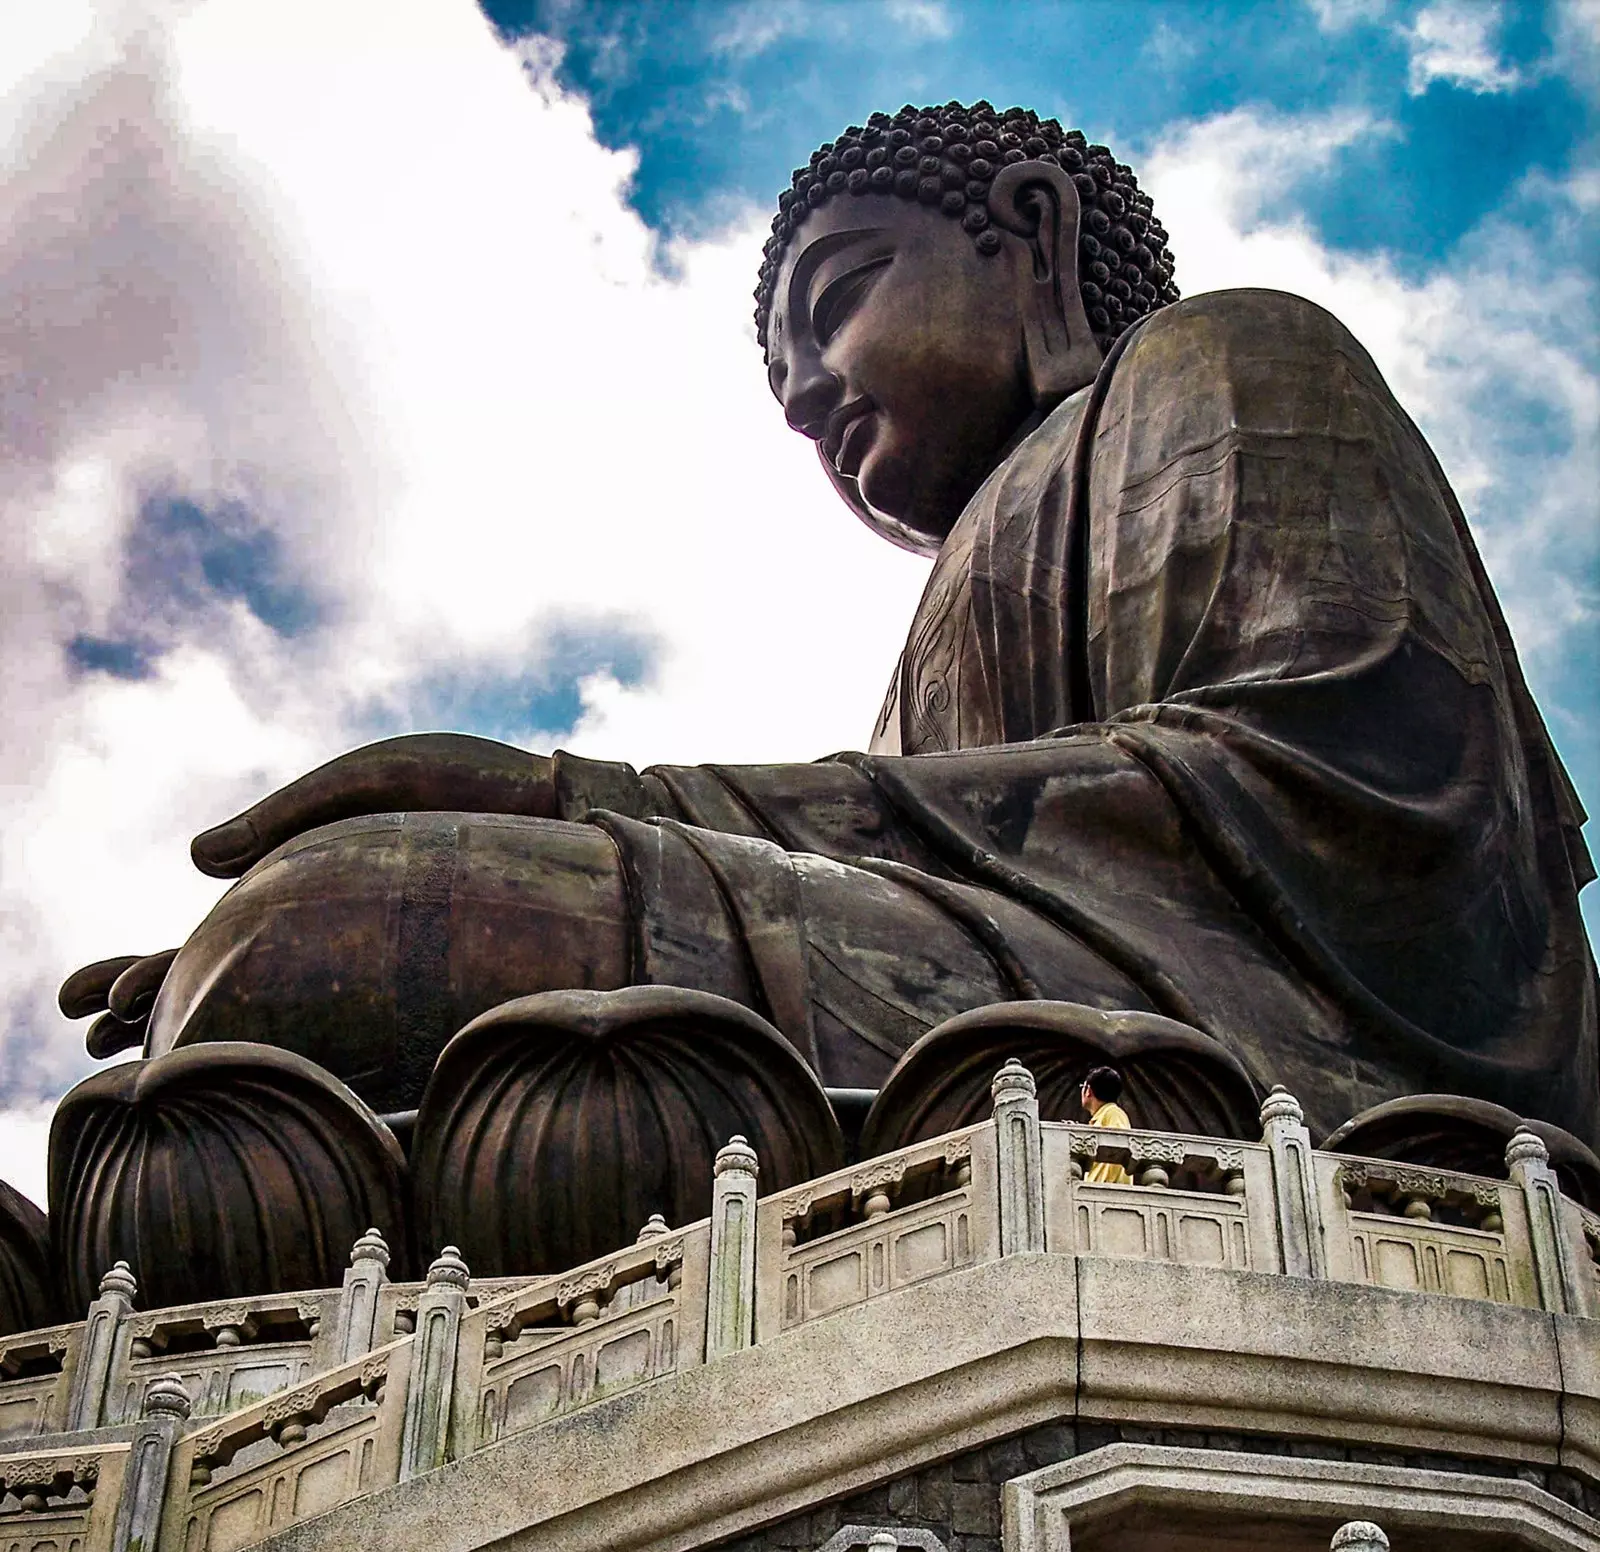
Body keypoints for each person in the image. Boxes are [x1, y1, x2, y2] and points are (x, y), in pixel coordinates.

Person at [61, 98, 1600, 1147]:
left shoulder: (1228, 360)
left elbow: (1354, 802)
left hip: (1263, 1057)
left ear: (1032, 229)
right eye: (785, 385)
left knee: (314, 930)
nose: (805, 394)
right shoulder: (947, 604)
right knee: (324, 935)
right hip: (986, 1013)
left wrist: (590, 806)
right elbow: (881, 885)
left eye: (839, 298)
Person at [1080, 1065, 1132, 1187]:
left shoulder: (1114, 1113)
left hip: (1107, 1188)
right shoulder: (1104, 1116)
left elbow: (1119, 1146)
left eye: (1083, 1087)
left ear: (1088, 1091)